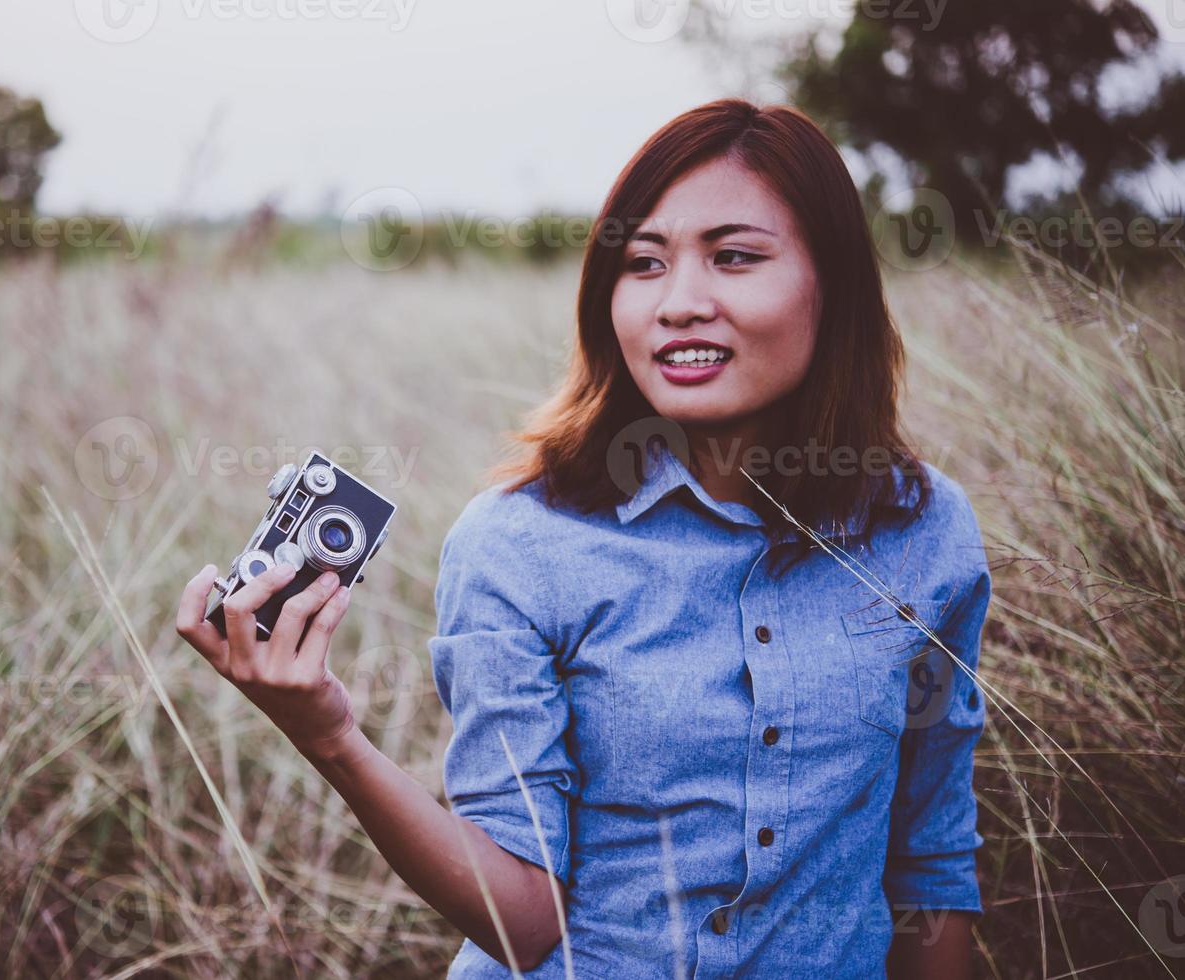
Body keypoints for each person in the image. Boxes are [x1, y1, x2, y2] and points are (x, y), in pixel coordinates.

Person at [175, 98, 990, 978]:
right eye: (643, 263)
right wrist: (328, 732)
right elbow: (522, 923)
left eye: (734, 257)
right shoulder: (520, 545)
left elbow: (930, 870)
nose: (679, 303)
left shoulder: (924, 532)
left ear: (833, 284)